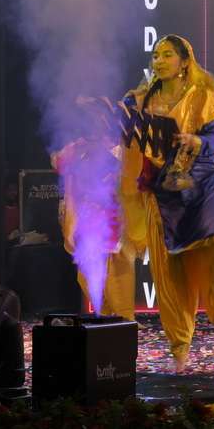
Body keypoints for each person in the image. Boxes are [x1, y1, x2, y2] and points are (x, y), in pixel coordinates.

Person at [117, 35, 214, 371]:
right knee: (169, 267)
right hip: (163, 189)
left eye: (167, 55)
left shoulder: (205, 97)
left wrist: (196, 140)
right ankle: (179, 346)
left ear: (185, 61)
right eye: (156, 55)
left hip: (204, 182)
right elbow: (122, 126)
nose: (159, 60)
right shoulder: (141, 99)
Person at [52, 137, 136, 320]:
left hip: (113, 216)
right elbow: (59, 164)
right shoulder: (77, 147)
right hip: (85, 218)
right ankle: (105, 315)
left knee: (118, 272)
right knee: (86, 274)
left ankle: (124, 319)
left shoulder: (121, 147)